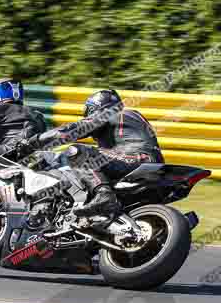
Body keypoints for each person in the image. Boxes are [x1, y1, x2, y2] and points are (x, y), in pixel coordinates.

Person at [13, 89, 163, 226]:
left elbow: (73, 130)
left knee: (75, 151)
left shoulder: (112, 113)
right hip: (147, 163)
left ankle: (103, 195)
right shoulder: (128, 118)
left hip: (134, 158)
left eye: (89, 112)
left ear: (97, 107)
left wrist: (34, 142)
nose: (88, 116)